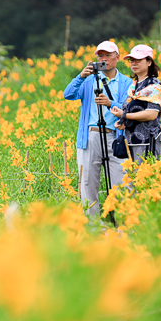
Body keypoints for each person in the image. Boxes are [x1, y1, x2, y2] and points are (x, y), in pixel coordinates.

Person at [64, 41, 133, 217]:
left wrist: (110, 104)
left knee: (121, 182)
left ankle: (122, 222)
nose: (104, 59)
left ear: (117, 57)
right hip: (90, 136)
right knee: (88, 184)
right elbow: (68, 94)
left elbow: (129, 109)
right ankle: (93, 226)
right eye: (100, 56)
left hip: (115, 137)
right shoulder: (88, 80)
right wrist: (80, 76)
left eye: (108, 55)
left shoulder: (126, 82)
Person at [110, 44, 161, 163]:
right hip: (132, 142)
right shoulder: (134, 86)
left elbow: (152, 114)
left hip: (148, 142)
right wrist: (123, 122)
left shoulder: (154, 85)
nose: (134, 63)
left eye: (138, 60)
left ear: (149, 62)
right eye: (131, 60)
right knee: (134, 179)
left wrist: (124, 115)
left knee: (145, 178)